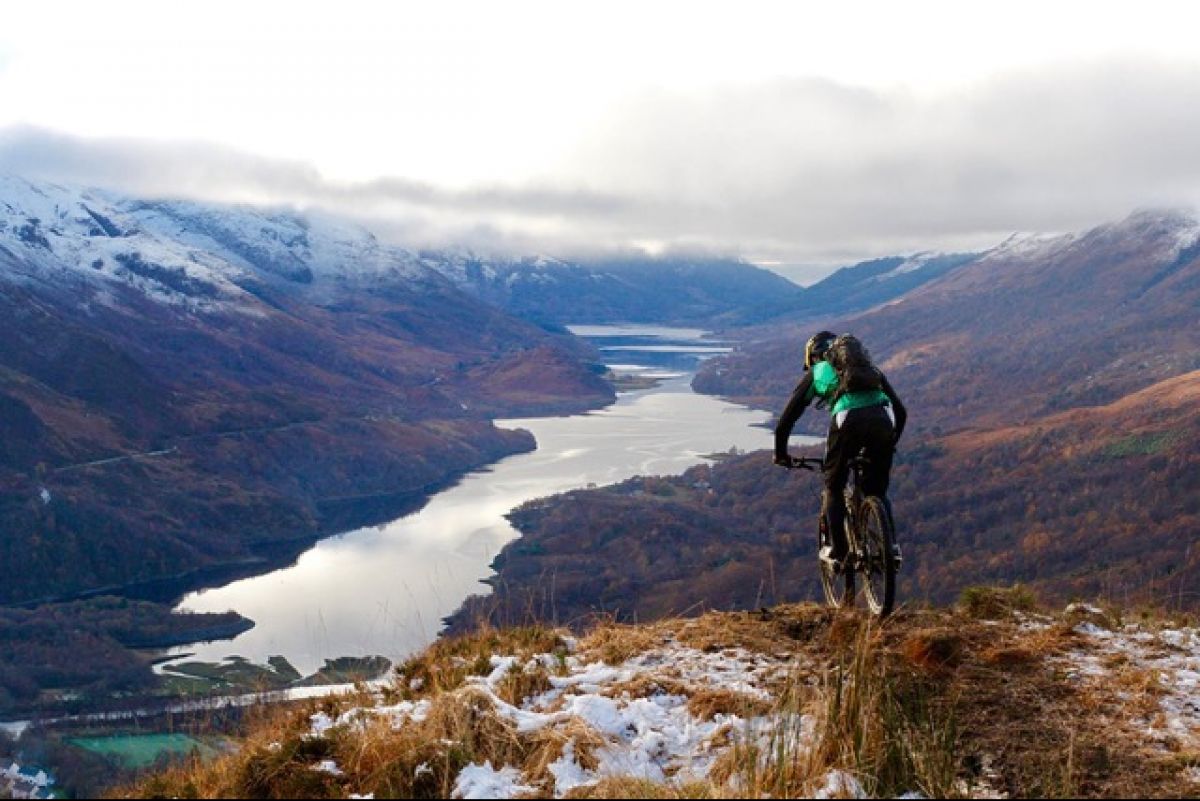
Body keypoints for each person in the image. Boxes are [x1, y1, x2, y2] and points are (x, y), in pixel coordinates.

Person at [773, 331, 907, 568]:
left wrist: (781, 453)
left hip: (848, 419)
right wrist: (890, 442)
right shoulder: (868, 369)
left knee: (834, 486)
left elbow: (787, 419)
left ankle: (839, 551)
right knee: (877, 490)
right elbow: (901, 410)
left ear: (813, 357)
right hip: (884, 419)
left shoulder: (818, 372)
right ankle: (892, 547)